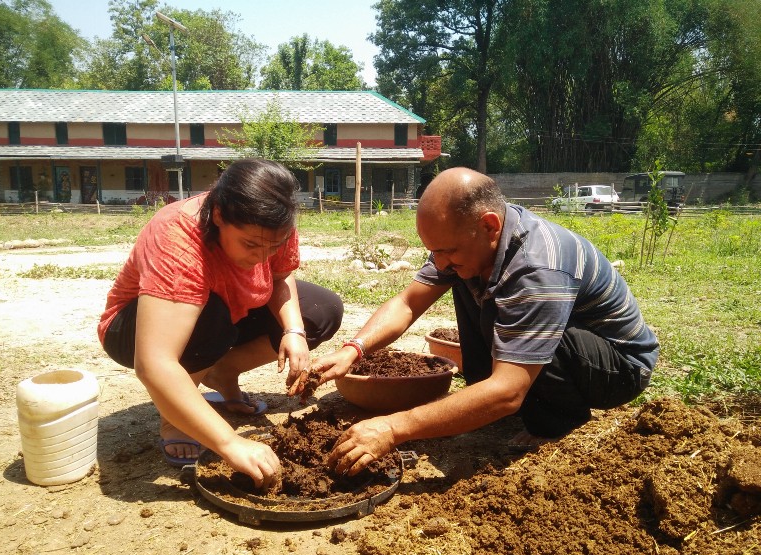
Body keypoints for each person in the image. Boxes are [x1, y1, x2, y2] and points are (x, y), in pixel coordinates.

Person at [307, 167, 659, 476]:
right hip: (571, 344)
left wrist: (394, 427)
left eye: (447, 251)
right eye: (434, 251)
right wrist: (354, 349)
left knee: (517, 364)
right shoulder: (472, 243)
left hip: (617, 366)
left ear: (489, 225)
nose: (439, 262)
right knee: (463, 276)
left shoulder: (538, 267)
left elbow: (507, 392)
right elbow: (407, 303)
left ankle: (560, 421)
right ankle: (490, 394)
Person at [98, 158, 343, 488]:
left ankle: (222, 373)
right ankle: (175, 420)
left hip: (228, 309)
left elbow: (281, 275)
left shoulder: (273, 220)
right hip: (134, 329)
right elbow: (154, 361)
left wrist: (294, 330)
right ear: (218, 217)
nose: (262, 256)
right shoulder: (179, 237)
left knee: (320, 310)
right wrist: (229, 442)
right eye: (251, 245)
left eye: (273, 246)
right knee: (213, 316)